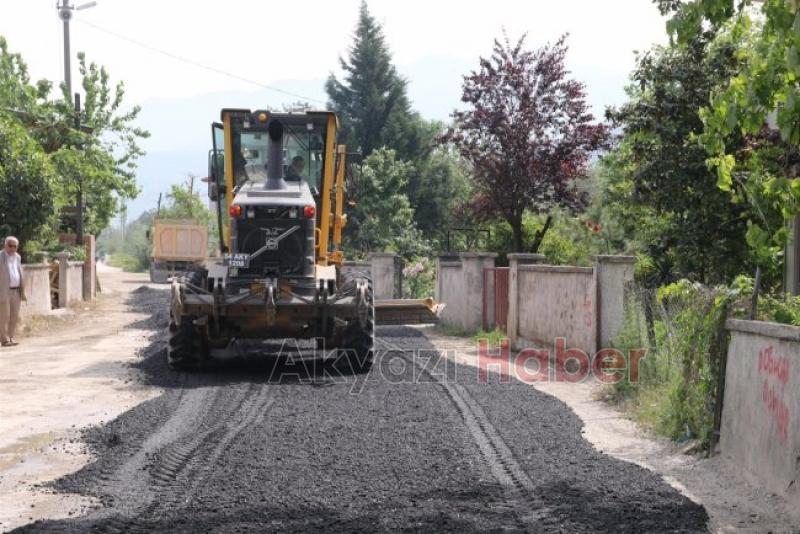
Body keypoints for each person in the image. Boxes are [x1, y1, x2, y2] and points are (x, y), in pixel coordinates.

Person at [0, 236, 26, 347]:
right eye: (10, 245)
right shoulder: (1, 256)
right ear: (5, 245)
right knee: (4, 316)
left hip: (16, 291)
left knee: (14, 315)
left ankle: (11, 337)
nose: (12, 248)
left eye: (14, 246)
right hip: (4, 291)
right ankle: (4, 340)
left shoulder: (18, 257)